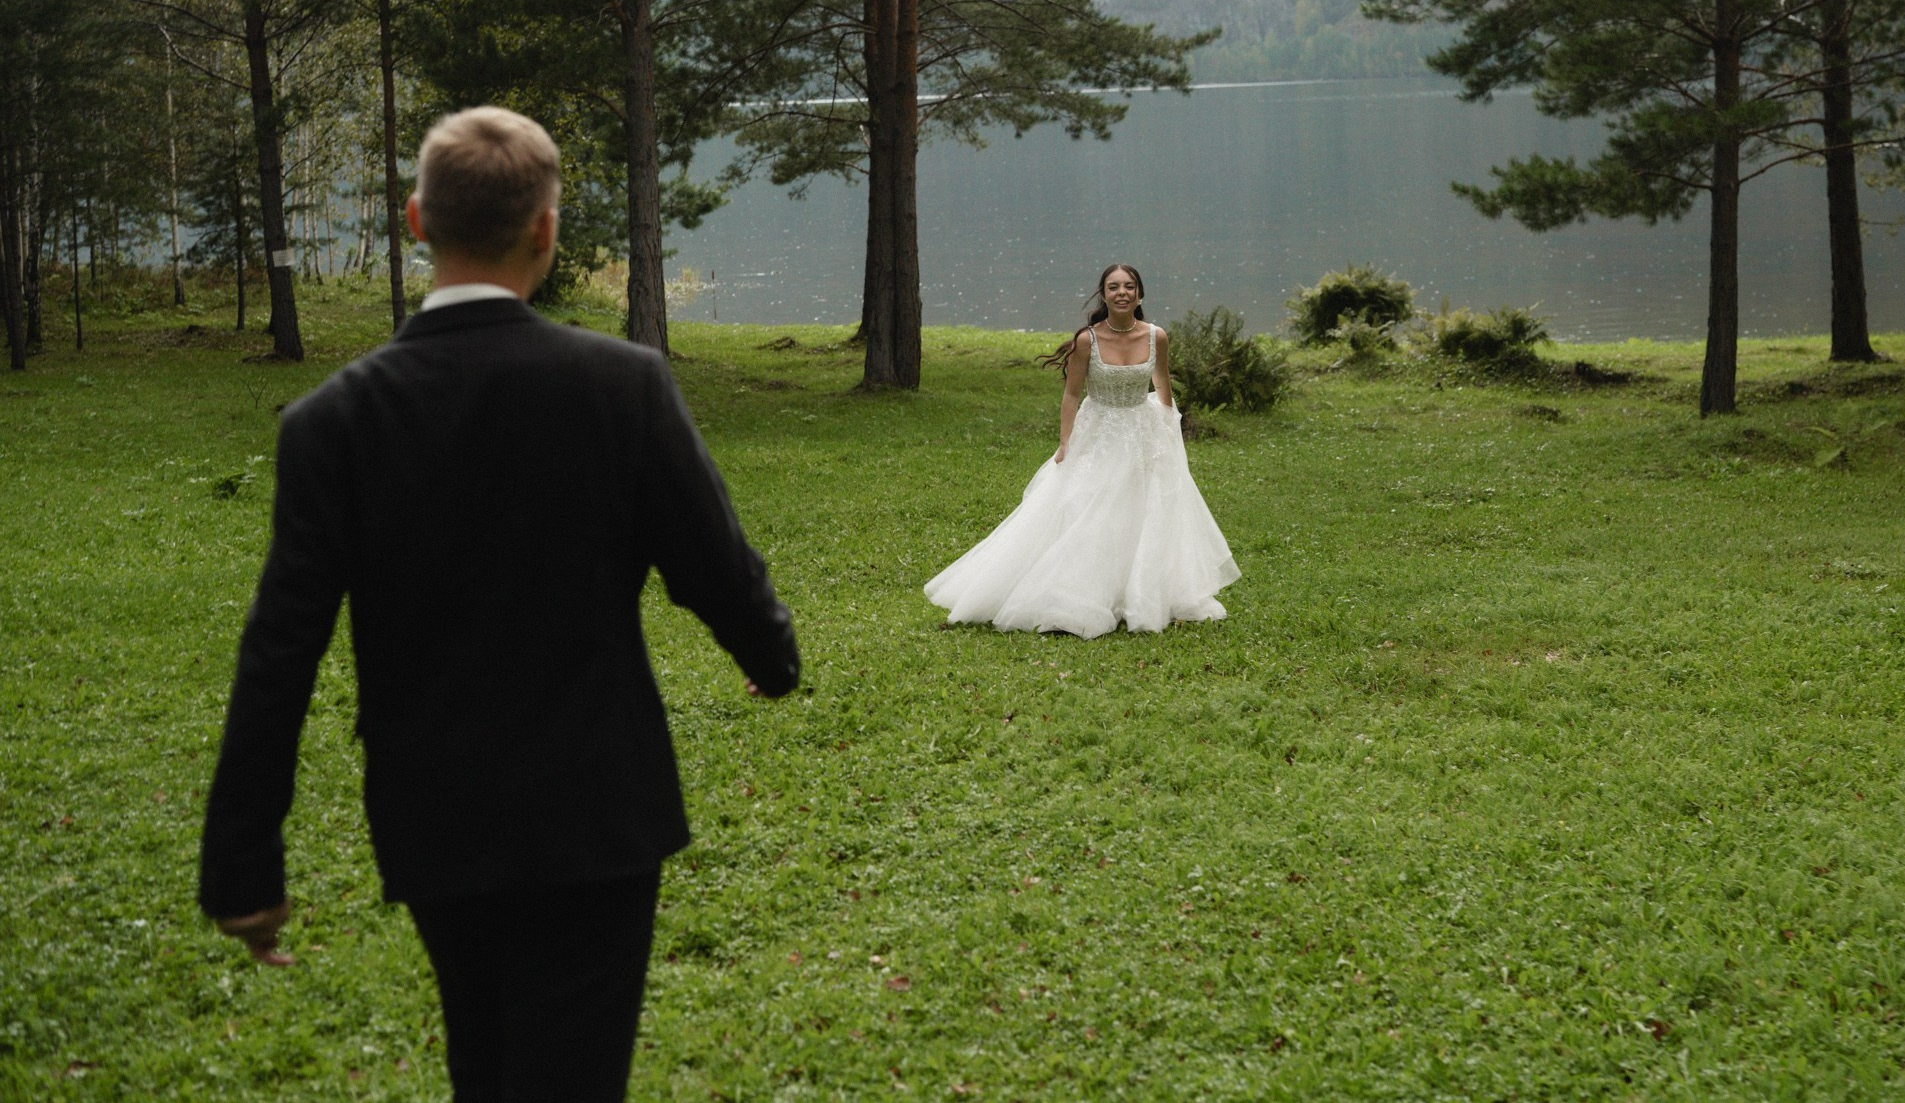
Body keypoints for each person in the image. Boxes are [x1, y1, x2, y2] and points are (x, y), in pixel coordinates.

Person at [197, 106, 800, 1101]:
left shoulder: (334, 421)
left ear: (415, 221)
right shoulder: (621, 386)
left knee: (486, 1061)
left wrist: (242, 867)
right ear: (547, 232)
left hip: (437, 817)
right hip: (599, 813)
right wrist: (770, 657)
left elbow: (280, 650)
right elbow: (714, 566)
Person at [925, 263, 1239, 638]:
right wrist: (1065, 443)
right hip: (1100, 432)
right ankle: (1076, 598)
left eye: (1129, 286)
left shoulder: (1157, 336)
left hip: (1141, 433)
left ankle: (1139, 594)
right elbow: (1072, 394)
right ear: (1103, 294)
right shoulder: (1087, 340)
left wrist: (1170, 428)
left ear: (1140, 294)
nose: (1121, 293)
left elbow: (1161, 385)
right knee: (1091, 511)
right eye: (1113, 287)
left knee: (1144, 512)